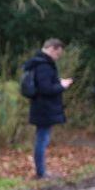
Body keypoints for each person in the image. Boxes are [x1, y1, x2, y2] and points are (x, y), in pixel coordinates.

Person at [22, 38, 73, 179]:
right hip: (44, 108)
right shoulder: (44, 65)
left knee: (42, 138)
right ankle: (41, 172)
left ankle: (41, 171)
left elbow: (43, 85)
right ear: (52, 49)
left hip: (40, 107)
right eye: (57, 54)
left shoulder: (37, 63)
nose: (57, 57)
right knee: (42, 139)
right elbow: (45, 89)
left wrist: (57, 82)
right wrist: (62, 86)